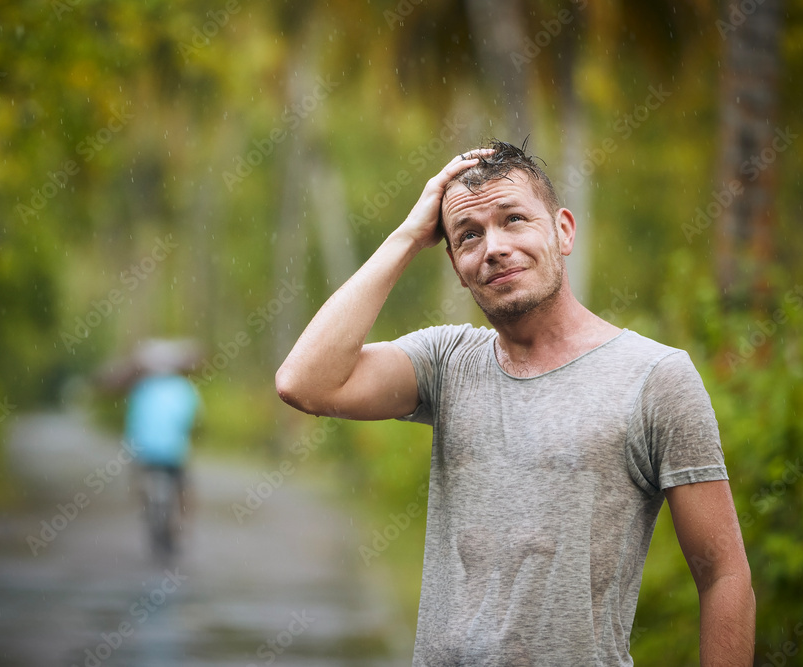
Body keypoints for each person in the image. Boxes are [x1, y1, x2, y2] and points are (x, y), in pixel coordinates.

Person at [275, 140, 754, 665]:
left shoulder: (655, 377)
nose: (494, 248)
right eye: (469, 236)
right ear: (458, 267)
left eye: (514, 219)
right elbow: (305, 382)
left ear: (563, 230)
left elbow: (723, 574)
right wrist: (410, 235)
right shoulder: (447, 360)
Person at [122, 340, 202, 558]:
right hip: (173, 452)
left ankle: (147, 513)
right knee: (185, 489)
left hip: (143, 452)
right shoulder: (184, 389)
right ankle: (182, 527)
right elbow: (190, 420)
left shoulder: (141, 388)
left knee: (141, 487)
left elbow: (132, 422)